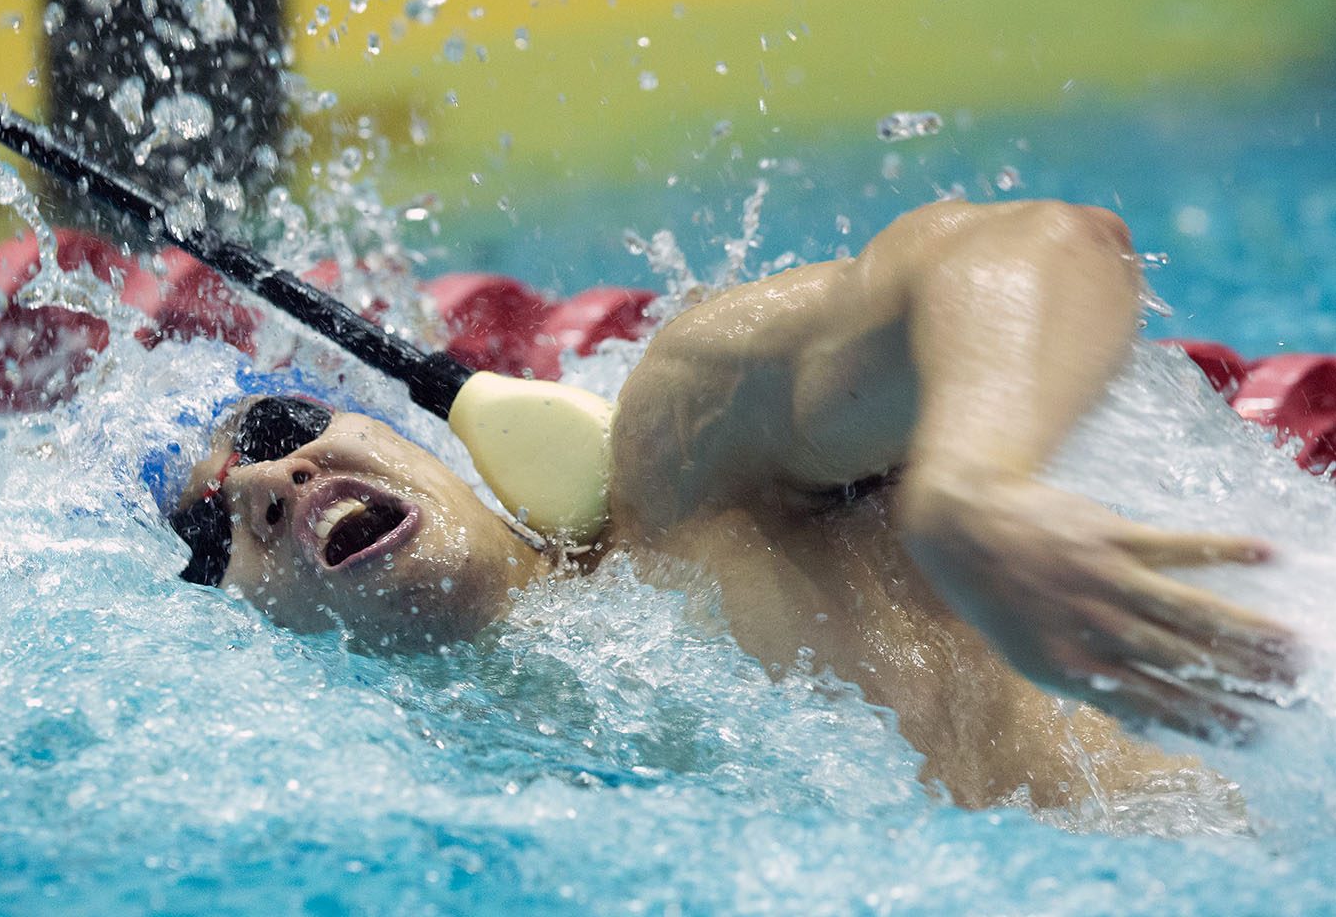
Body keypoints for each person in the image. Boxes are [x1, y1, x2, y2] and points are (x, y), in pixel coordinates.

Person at [173, 199, 1300, 809]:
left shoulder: (687, 467)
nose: (271, 485)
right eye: (212, 530)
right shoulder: (434, 802)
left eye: (276, 431)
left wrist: (977, 480)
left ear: (397, 433)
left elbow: (1045, 243)